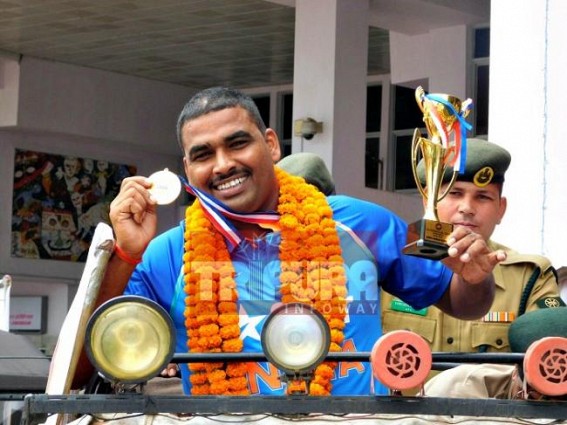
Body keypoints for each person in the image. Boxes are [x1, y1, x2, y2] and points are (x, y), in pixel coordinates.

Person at [75, 87, 504, 396]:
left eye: (237, 143)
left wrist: (474, 277)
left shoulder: (362, 222)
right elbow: (80, 370)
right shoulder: (169, 251)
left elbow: (460, 300)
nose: (224, 165)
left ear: (271, 145)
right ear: (188, 169)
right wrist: (127, 253)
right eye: (204, 154)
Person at [381, 138, 565, 395]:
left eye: (483, 197)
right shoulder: (389, 263)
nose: (467, 208)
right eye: (454, 194)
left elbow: (550, 360)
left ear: (501, 209)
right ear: (428, 201)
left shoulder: (528, 276)